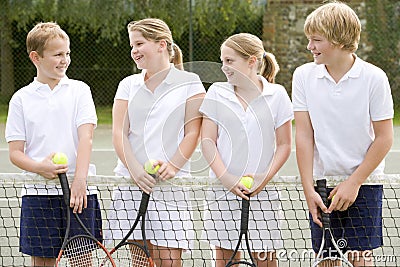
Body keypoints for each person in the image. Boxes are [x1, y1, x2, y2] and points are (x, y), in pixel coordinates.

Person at [292, 1, 394, 266]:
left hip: (365, 183)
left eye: (316, 40)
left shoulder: (375, 78)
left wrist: (354, 182)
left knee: (360, 260)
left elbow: (384, 137)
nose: (309, 46)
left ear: (338, 41)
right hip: (321, 186)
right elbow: (303, 135)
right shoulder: (303, 76)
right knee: (326, 261)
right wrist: (308, 190)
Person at [108, 18, 205, 266]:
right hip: (131, 185)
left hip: (171, 188)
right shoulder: (127, 85)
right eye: (132, 45)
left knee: (169, 261)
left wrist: (173, 166)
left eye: (140, 43)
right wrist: (135, 170)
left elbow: (192, 132)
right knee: (139, 261)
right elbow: (119, 132)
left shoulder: (190, 82)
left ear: (161, 45)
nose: (134, 50)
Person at [5, 22, 101, 266]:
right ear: (36, 57)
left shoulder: (80, 90)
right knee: (43, 262)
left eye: (67, 53)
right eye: (58, 54)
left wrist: (79, 180)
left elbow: (86, 137)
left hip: (79, 193)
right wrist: (40, 167)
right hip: (39, 195)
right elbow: (15, 153)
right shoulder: (21, 99)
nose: (64, 60)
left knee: (83, 260)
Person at [200, 33, 293, 267]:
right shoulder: (217, 93)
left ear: (252, 61)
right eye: (222, 61)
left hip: (264, 196)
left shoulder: (278, 94)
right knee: (224, 262)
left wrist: (263, 178)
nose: (224, 67)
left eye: (230, 61)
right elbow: (208, 141)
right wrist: (227, 179)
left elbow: (284, 144)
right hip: (222, 194)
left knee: (266, 262)